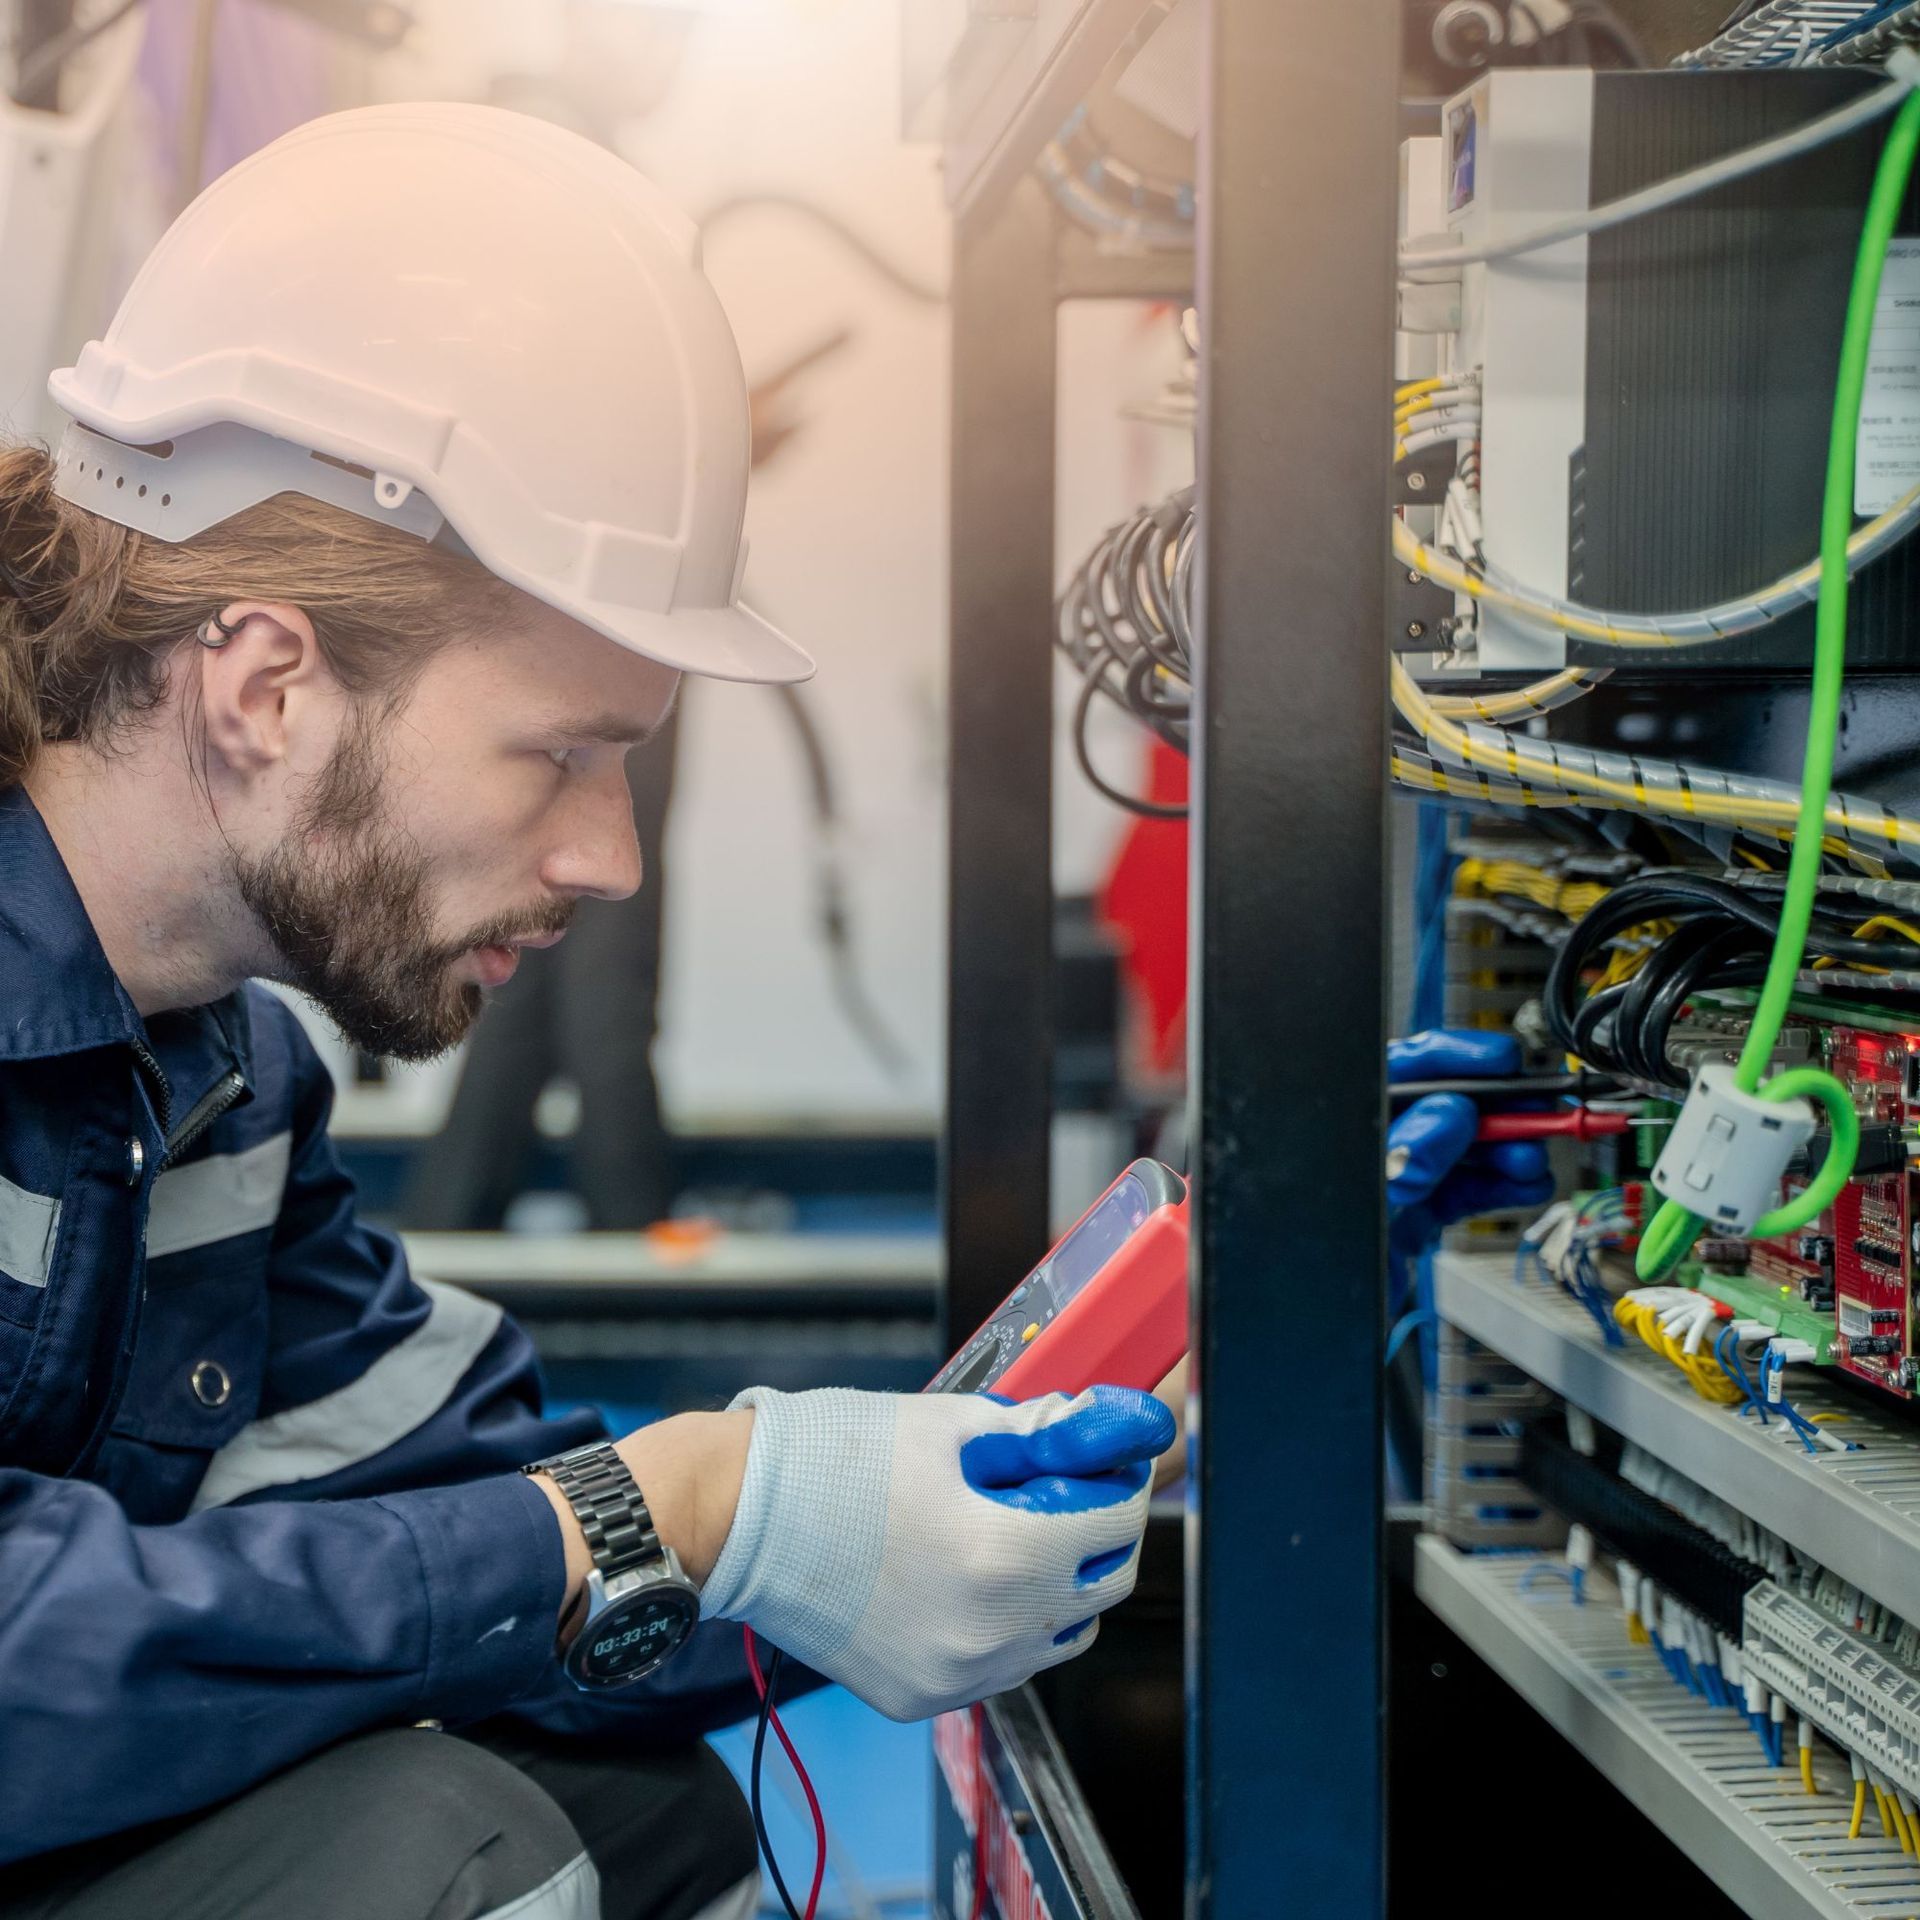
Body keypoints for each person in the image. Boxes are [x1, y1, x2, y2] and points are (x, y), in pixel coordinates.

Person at [0, 104, 1519, 1920]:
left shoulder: (215, 1085)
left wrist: (1093, 1402)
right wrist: (688, 1503)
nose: (611, 857)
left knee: (628, 1824)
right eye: (560, 754)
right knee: (451, 1861)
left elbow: (533, 1554)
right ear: (264, 686)